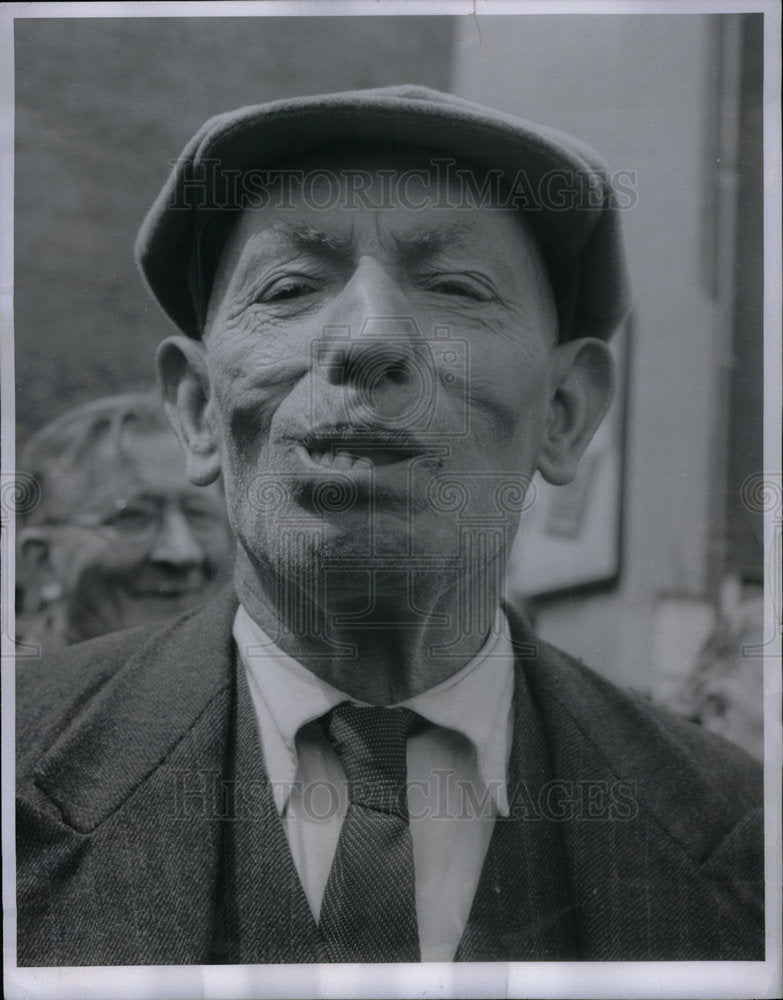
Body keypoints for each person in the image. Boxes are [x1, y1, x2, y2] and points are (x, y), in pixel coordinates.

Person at [16, 86, 763, 966]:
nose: (368, 338)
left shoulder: (742, 836)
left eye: (454, 287)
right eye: (290, 287)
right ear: (196, 410)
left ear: (562, 412)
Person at [16, 391, 234, 649]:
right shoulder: (19, 688)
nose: (182, 552)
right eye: (134, 517)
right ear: (43, 563)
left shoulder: (255, 682)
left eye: (199, 514)